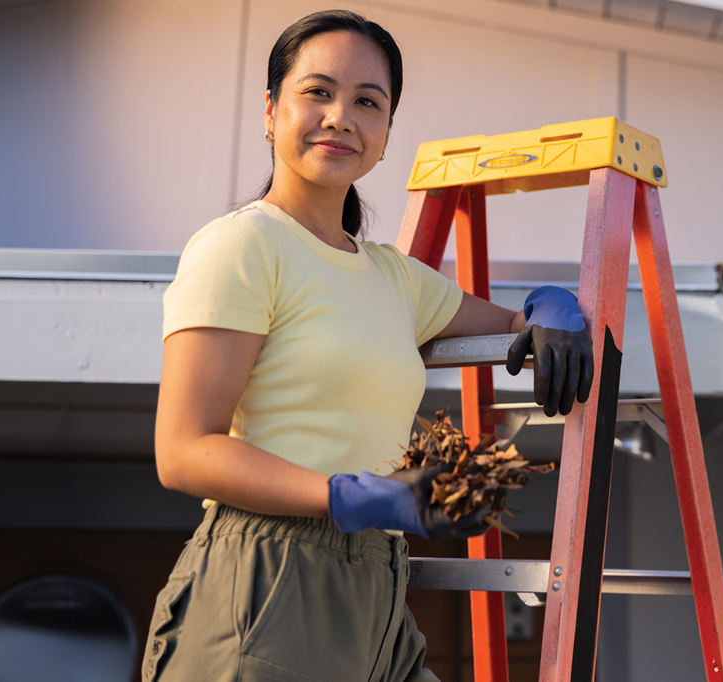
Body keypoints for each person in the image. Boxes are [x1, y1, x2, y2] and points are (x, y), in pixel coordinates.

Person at [143, 10, 594, 682]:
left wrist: (554, 305)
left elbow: (518, 325)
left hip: (379, 584)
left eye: (366, 102)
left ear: (385, 134)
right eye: (317, 92)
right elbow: (183, 452)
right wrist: (352, 495)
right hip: (269, 580)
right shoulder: (243, 245)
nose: (340, 117)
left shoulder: (393, 276)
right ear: (270, 111)